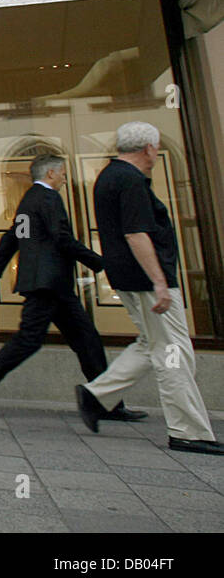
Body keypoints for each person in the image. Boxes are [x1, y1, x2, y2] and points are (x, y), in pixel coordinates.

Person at [0, 156, 146, 422]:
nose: (65, 179)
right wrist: (100, 263)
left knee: (86, 339)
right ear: (50, 173)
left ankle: (107, 402)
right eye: (62, 174)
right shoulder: (48, 199)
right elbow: (62, 239)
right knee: (33, 340)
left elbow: (14, 236)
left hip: (48, 284)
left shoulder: (29, 199)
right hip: (49, 284)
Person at [77, 122, 223, 454]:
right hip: (145, 279)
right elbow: (136, 233)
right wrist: (159, 282)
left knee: (152, 343)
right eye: (156, 149)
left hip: (128, 276)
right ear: (149, 149)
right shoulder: (129, 180)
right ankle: (187, 430)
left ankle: (96, 394)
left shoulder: (109, 176)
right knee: (174, 353)